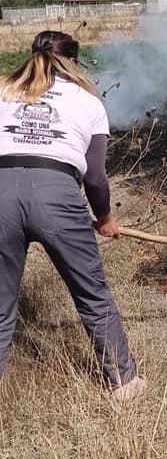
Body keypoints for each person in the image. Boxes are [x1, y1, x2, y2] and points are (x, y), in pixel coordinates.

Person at [0, 30, 145, 398]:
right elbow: (95, 177)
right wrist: (105, 217)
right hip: (56, 194)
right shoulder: (88, 102)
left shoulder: (3, 89)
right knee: (92, 294)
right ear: (75, 62)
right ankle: (124, 384)